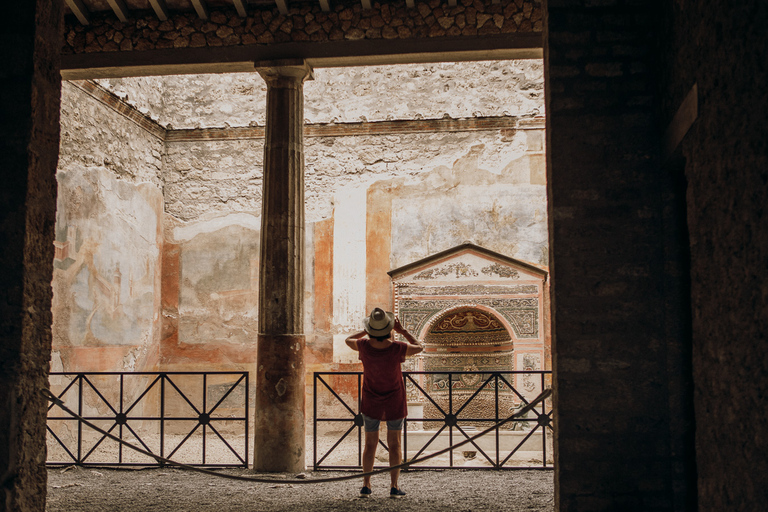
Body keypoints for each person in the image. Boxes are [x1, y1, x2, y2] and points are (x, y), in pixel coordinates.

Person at [345, 307, 423, 499]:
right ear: (389, 329)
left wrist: (367, 330)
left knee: (369, 444)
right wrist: (402, 331)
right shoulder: (397, 348)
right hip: (394, 400)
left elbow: (348, 340)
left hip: (371, 399)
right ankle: (394, 486)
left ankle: (366, 485)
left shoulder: (363, 346)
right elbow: (419, 346)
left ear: (372, 330)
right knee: (395, 444)